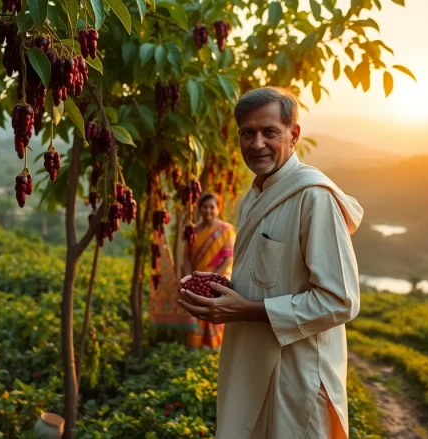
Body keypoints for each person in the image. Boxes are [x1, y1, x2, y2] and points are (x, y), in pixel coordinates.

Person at [178, 86, 364, 439]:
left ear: (293, 135)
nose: (257, 143)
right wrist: (224, 288)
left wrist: (246, 309)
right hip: (250, 361)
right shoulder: (253, 198)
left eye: (270, 132)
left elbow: (340, 300)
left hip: (295, 374)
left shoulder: (313, 197)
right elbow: (269, 279)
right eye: (248, 133)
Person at [148, 193, 235, 350]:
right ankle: (194, 352)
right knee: (196, 314)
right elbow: (186, 257)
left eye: (211, 207)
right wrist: (192, 280)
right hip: (197, 283)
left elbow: (229, 259)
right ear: (199, 209)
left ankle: (216, 352)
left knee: (215, 315)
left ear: (218, 208)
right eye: (204, 207)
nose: (208, 210)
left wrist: (212, 280)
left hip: (217, 282)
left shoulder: (226, 230)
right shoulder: (192, 231)